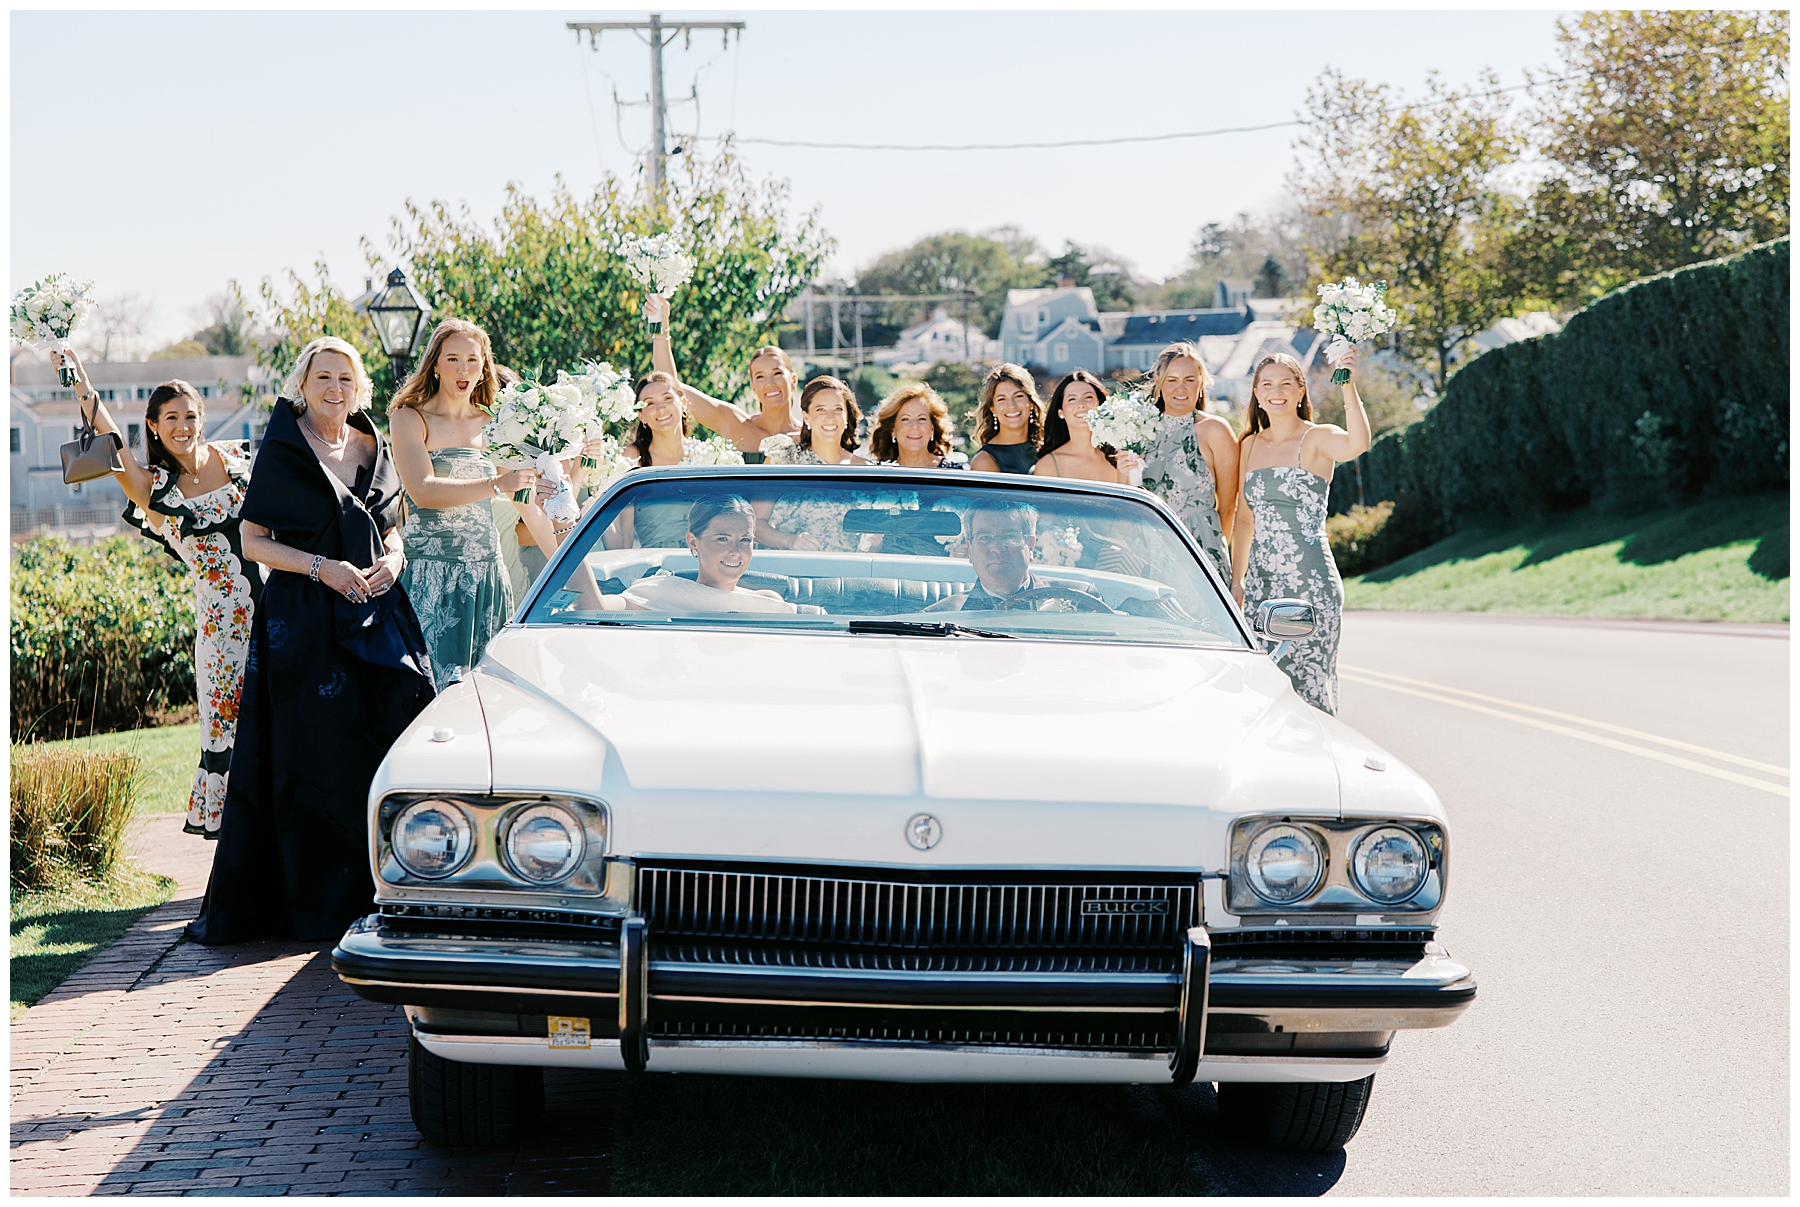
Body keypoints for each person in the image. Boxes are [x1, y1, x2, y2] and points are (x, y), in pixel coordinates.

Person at [185, 336, 436, 945]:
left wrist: (395, 562)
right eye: (323, 378)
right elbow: (253, 542)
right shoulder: (284, 446)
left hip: (376, 611)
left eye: (345, 380)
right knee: (314, 758)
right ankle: (318, 906)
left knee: (395, 737)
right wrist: (323, 567)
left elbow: (394, 526)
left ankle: (395, 890)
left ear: (359, 388)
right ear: (303, 383)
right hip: (303, 621)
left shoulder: (372, 443)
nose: (334, 389)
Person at [56, 349, 262, 839]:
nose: (183, 426)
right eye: (171, 418)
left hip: (278, 614)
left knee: (283, 722)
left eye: (190, 415)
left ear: (203, 417)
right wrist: (80, 382)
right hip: (222, 633)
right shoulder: (155, 491)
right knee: (231, 734)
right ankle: (234, 862)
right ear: (153, 426)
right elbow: (109, 441)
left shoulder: (241, 459)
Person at [389, 319, 546, 689]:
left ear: (484, 366)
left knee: (491, 699)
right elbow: (423, 490)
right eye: (453, 359)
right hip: (430, 577)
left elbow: (527, 505)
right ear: (435, 365)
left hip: (487, 581)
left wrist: (571, 564)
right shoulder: (409, 417)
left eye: (472, 360)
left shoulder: (497, 424)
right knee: (428, 697)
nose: (463, 370)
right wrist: (496, 484)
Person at [1230, 351, 1371, 716]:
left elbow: (1358, 444)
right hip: (1262, 585)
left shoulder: (1319, 438)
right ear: (1257, 394)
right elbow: (1244, 518)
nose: (1276, 392)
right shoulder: (1248, 445)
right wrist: (1237, 579)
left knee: (1309, 685)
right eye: (1267, 384)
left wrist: (1348, 387)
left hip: (1310, 583)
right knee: (1262, 689)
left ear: (1299, 391)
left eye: (1285, 384)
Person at [647, 296, 801, 459]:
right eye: (760, 377)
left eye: (777, 373)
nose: (770, 383)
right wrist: (661, 326)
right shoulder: (734, 424)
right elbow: (669, 386)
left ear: (793, 380)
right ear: (753, 386)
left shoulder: (810, 435)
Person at [1140, 342, 1238, 574]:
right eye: (1172, 380)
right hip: (1149, 554)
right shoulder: (1138, 430)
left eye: (1189, 380)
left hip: (1202, 551)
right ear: (1157, 381)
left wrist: (1212, 552)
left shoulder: (1215, 430)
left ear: (1201, 383)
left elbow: (1228, 506)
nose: (1180, 388)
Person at [755, 376, 877, 551]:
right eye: (820, 409)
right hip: (787, 572)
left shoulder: (865, 472)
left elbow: (870, 548)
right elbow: (753, 523)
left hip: (845, 574)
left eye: (838, 409)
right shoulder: (785, 458)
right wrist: (789, 540)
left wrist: (875, 542)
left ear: (847, 416)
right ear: (806, 416)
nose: (830, 417)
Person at [618, 496, 798, 614]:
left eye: (745, 540)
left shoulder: (766, 602)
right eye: (722, 539)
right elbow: (597, 608)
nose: (736, 551)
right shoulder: (659, 593)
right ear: (693, 542)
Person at [926, 501, 1107, 612]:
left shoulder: (1080, 598)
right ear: (970, 549)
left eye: (1009, 537)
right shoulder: (940, 617)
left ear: (1030, 546)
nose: (996, 548)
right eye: (984, 538)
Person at [600, 371, 708, 550]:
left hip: (708, 563)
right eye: (650, 403)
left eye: (667, 398)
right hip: (657, 567)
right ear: (641, 416)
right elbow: (622, 542)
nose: (661, 408)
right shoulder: (629, 460)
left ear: (684, 404)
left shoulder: (707, 455)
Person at [1033, 369, 1145, 483]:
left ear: (1100, 405)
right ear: (1060, 412)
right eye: (1072, 399)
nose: (1081, 404)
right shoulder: (1048, 466)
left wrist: (1124, 473)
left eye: (1088, 397)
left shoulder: (1122, 456)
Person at [870, 383, 968, 469]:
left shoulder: (953, 474)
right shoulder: (879, 476)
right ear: (893, 431)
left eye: (921, 419)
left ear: (932, 429)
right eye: (905, 419)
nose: (914, 426)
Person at [968, 364, 1044, 474]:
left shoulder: (1047, 448)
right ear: (992, 409)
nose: (1011, 405)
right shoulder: (984, 461)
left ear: (1031, 402)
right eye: (1001, 399)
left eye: (1018, 396)